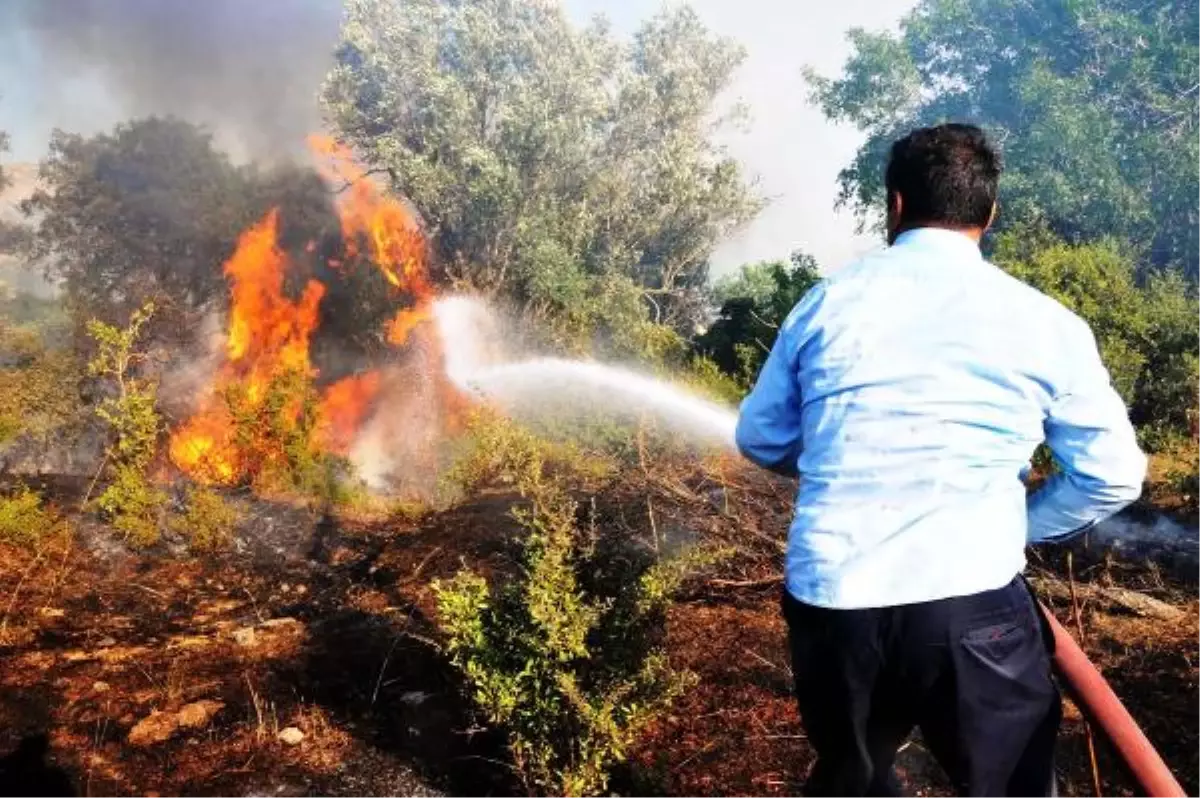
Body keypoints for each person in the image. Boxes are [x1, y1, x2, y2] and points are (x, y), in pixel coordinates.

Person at [735, 123, 1147, 798]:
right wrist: (1021, 525)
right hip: (972, 603)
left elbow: (762, 439)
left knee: (854, 779)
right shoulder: (1043, 320)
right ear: (989, 213)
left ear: (894, 204)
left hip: (835, 604)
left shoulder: (824, 304)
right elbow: (1113, 475)